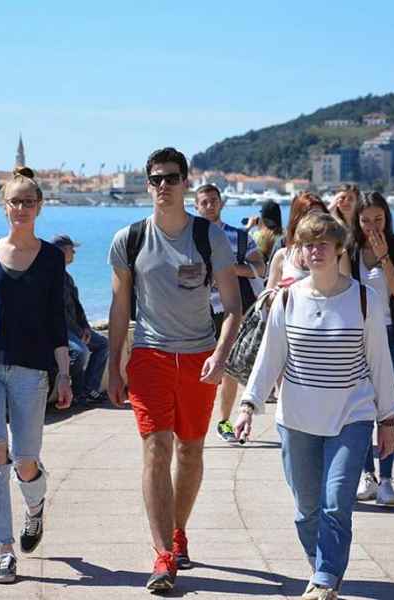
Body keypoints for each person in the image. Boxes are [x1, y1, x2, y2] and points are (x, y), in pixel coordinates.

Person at [235, 212, 394, 600]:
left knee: (336, 502)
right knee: (305, 509)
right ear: (299, 251)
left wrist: (387, 419)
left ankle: (326, 578)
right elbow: (270, 357)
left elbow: (380, 362)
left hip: (351, 416)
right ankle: (321, 564)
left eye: (324, 243)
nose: (316, 250)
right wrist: (248, 405)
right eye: (309, 244)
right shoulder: (288, 298)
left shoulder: (364, 299)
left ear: (339, 248)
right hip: (296, 418)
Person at [107, 147, 241, 592]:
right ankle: (163, 555)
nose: (163, 185)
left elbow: (234, 309)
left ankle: (178, 530)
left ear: (186, 182)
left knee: (189, 451)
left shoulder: (209, 237)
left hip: (200, 356)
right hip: (149, 356)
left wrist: (220, 357)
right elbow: (120, 307)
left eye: (171, 177)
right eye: (156, 178)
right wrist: (114, 365)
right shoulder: (129, 239)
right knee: (156, 449)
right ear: (147, 185)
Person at [0, 167, 73, 584]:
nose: (21, 208)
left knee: (25, 462)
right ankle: (4, 549)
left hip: (31, 368)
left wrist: (64, 374)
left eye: (28, 202)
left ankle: (35, 507)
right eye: (14, 201)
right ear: (4, 206)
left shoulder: (51, 258)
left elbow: (57, 320)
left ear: (39, 207)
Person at [341, 191, 394, 506]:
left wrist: (384, 258)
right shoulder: (349, 249)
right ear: (357, 220)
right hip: (357, 337)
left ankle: (386, 481)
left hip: (389, 335)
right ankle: (366, 476)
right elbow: (342, 295)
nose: (372, 226)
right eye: (366, 220)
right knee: (360, 409)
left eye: (379, 219)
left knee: (386, 409)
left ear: (387, 218)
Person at [194, 183, 266, 444]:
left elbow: (261, 267)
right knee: (196, 369)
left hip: (230, 311)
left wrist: (228, 270)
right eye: (205, 202)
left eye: (214, 200)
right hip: (195, 312)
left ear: (221, 203)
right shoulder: (186, 237)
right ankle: (194, 421)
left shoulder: (240, 236)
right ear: (196, 206)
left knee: (227, 368)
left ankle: (223, 421)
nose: (210, 205)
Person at [52, 233, 110, 404]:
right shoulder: (50, 277)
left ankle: (89, 390)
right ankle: (76, 392)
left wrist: (84, 327)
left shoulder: (66, 276)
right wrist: (78, 333)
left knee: (103, 345)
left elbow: (77, 307)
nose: (74, 254)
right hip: (61, 330)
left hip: (75, 329)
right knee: (80, 352)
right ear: (62, 251)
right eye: (72, 250)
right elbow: (58, 312)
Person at [267, 192, 329, 290]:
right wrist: (279, 294)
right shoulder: (282, 255)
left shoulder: (337, 254)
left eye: (321, 217)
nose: (316, 222)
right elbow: (268, 299)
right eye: (310, 217)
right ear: (297, 220)